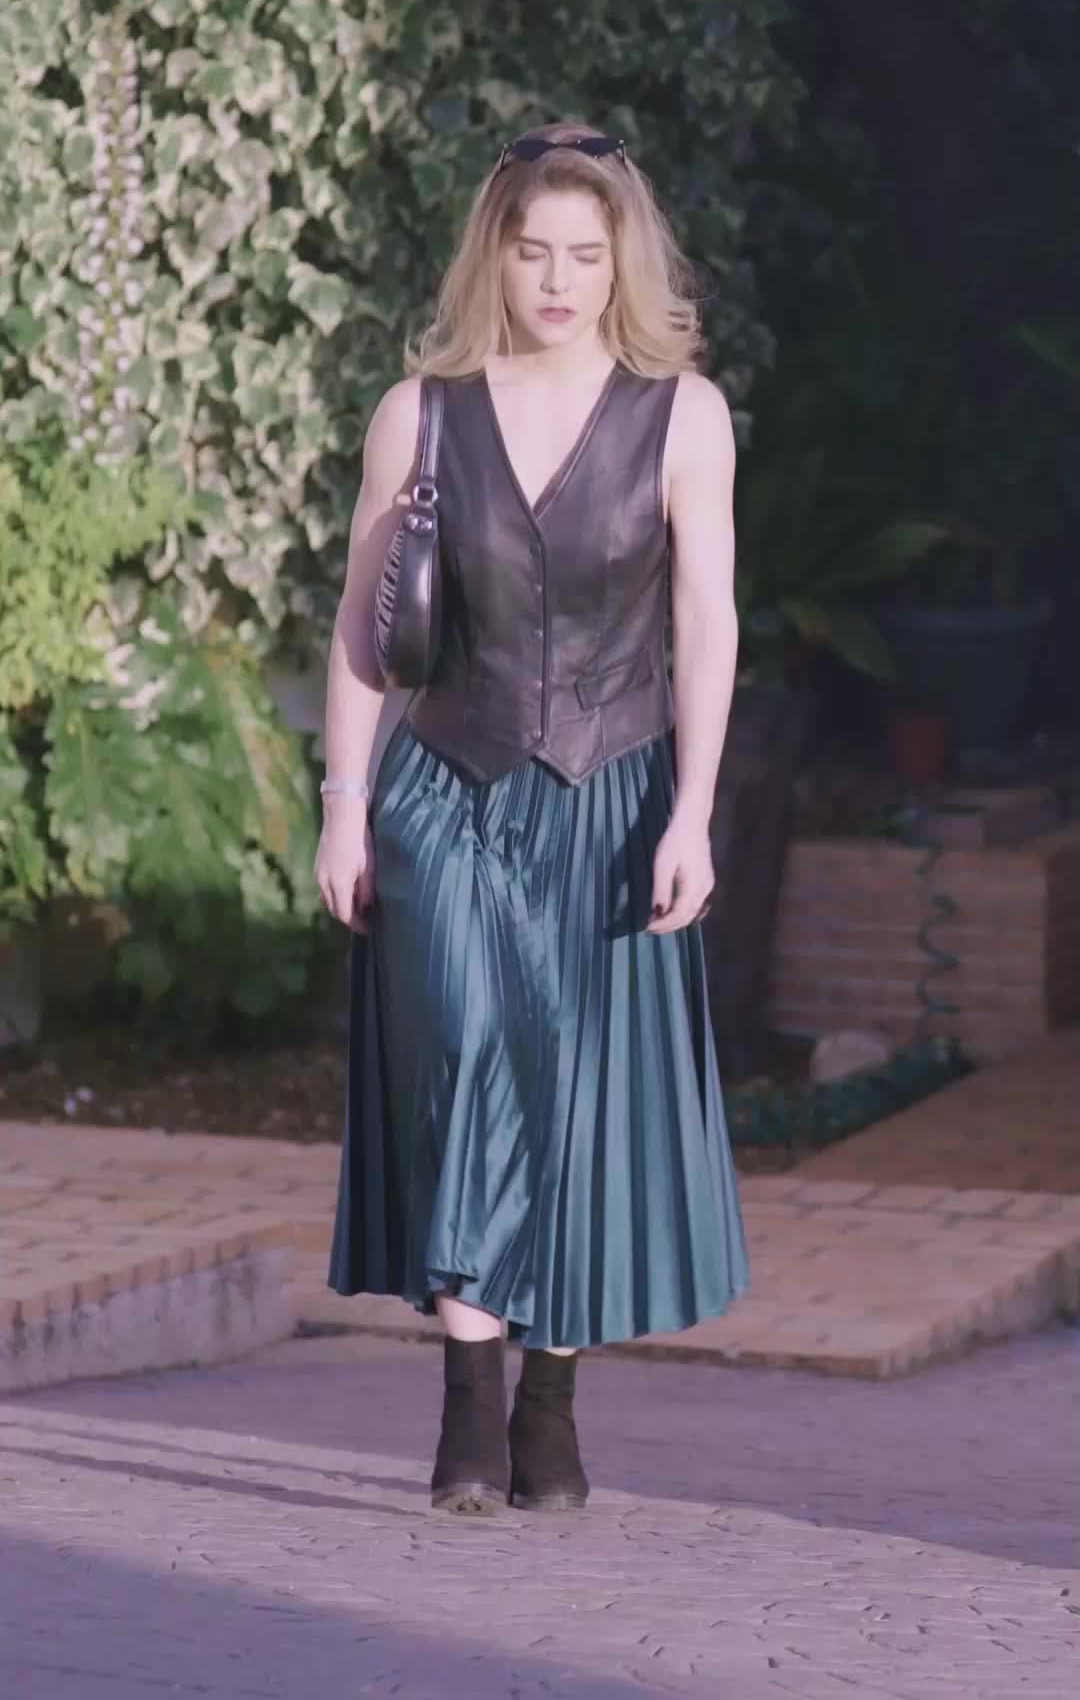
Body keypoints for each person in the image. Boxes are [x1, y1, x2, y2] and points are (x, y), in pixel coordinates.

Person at [317, 121, 749, 1517]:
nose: (558, 281)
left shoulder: (683, 415)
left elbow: (706, 621)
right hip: (447, 789)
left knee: (578, 1093)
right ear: (492, 258)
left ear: (622, 264)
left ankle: (548, 1408)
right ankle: (466, 1401)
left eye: (584, 255)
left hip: (616, 793)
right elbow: (363, 630)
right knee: (458, 1061)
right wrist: (343, 808)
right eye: (532, 252)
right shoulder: (420, 413)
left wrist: (694, 811)